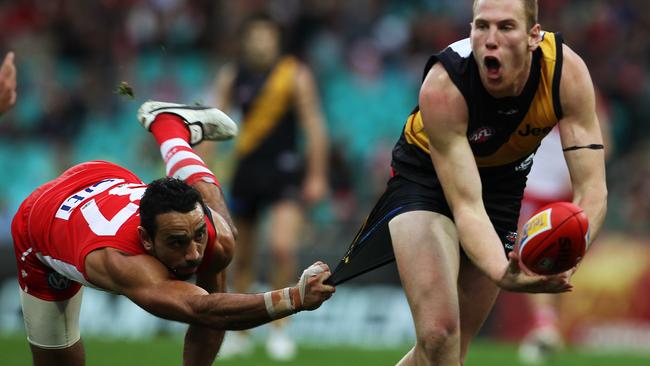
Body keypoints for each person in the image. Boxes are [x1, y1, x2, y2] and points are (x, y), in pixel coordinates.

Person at [327, 0, 608, 365]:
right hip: (424, 177)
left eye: (506, 27)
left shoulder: (565, 74)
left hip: (502, 184)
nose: (489, 40)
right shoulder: (444, 85)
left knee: (448, 354)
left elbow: (593, 188)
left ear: (533, 36)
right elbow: (466, 206)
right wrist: (502, 274)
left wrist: (574, 249)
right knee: (439, 332)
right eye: (481, 26)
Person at [11, 100, 335, 366]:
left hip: (103, 175)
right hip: (40, 220)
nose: (193, 253)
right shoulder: (123, 262)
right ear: (146, 239)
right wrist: (292, 298)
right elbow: (202, 309)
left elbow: (211, 313)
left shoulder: (212, 234)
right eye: (177, 243)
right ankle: (168, 127)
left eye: (197, 235)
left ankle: (169, 125)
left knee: (224, 238)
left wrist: (197, 234)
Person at [204, 13, 329, 360]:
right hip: (247, 170)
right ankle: (240, 330)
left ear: (276, 41)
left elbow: (314, 125)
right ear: (246, 41)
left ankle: (281, 328)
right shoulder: (233, 74)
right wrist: (202, 168)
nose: (260, 43)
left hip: (285, 170)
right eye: (254, 36)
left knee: (281, 248)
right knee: (239, 256)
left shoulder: (295, 75)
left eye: (266, 37)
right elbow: (212, 124)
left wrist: (316, 176)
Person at [518, 92, 612, 364]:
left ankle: (547, 326)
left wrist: (582, 174)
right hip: (532, 191)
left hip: (566, 192)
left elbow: (607, 144)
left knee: (553, 260)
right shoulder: (535, 91)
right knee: (533, 257)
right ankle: (545, 326)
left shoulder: (580, 95)